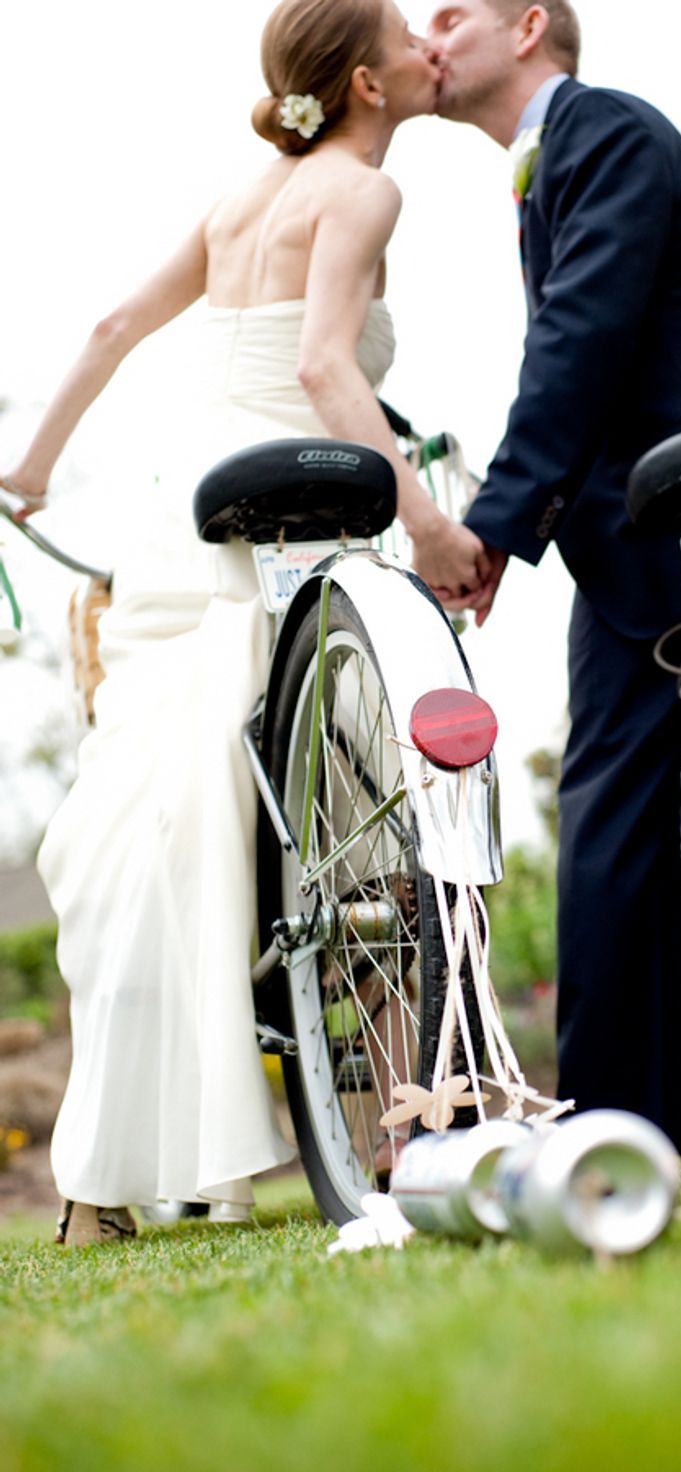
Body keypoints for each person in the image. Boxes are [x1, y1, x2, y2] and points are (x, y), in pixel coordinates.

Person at [1, 0, 483, 1245]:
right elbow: (328, 367)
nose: (434, 49)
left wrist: (31, 469)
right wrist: (426, 526)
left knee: (162, 814)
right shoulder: (363, 194)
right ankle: (402, 1118)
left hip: (190, 513)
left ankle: (102, 1178)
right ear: (367, 85)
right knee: (370, 803)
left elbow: (114, 326)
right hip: (302, 500)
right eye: (407, 40)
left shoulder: (237, 198)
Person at [424, 1, 681, 1153]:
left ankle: (612, 1124)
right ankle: (622, 1129)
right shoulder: (553, 164)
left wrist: (492, 522)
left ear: (529, 25)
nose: (428, 38)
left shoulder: (606, 131)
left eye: (450, 13)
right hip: (635, 527)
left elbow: (579, 338)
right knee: (612, 807)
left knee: (675, 801)